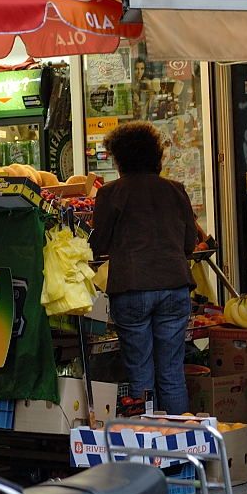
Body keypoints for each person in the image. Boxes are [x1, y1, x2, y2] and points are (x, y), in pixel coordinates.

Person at [90, 121, 198, 415]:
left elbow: (97, 245)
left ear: (120, 158)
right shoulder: (175, 191)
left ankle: (147, 444)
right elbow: (190, 242)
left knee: (141, 374)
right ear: (155, 155)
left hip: (132, 288)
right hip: (174, 286)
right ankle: (178, 448)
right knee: (172, 374)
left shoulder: (111, 193)